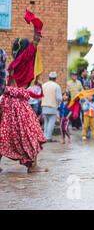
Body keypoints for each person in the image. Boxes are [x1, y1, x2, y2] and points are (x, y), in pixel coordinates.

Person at [0, 11, 48, 173]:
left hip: (6, 101)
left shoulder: (13, 64)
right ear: (26, 50)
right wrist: (37, 27)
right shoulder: (25, 59)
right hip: (17, 103)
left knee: (4, 133)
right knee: (32, 131)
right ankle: (33, 166)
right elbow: (36, 41)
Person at [41, 72, 63, 142]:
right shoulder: (56, 86)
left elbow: (40, 95)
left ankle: (44, 136)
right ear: (55, 78)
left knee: (46, 122)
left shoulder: (43, 85)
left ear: (49, 78)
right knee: (51, 123)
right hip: (52, 106)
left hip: (44, 106)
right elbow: (59, 97)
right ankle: (48, 137)